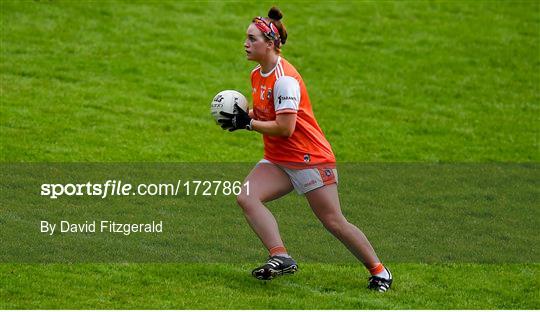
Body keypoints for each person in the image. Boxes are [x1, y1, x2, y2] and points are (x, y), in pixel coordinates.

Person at [218, 6, 393, 292]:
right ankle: (280, 256)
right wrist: (242, 115)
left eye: (252, 39)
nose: (246, 44)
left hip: (309, 159)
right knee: (247, 197)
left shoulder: (285, 80)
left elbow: (285, 127)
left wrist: (247, 125)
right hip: (279, 159)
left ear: (271, 44)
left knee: (333, 221)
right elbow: (266, 113)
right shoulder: (256, 74)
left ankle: (379, 271)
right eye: (246, 38)